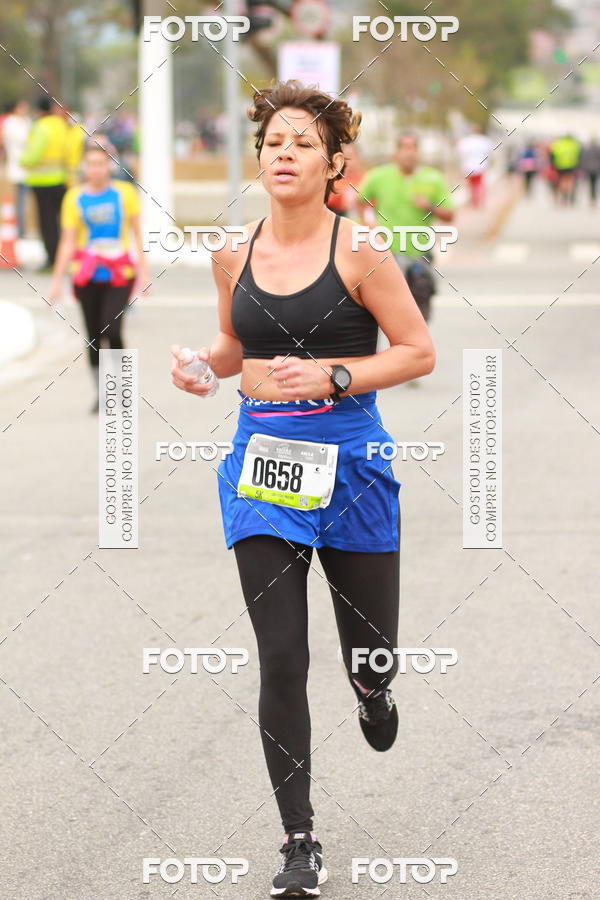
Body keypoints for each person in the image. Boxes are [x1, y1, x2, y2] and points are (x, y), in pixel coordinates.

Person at [169, 79, 435, 899]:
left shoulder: (362, 252)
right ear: (260, 158)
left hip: (351, 467)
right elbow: (230, 342)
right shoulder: (232, 252)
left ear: (333, 164)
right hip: (264, 468)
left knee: (371, 652)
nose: (284, 154)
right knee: (281, 656)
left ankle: (373, 689)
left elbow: (417, 350)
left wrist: (336, 372)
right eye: (274, 143)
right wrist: (200, 367)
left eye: (302, 144)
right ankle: (299, 838)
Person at [48, 143, 150, 413]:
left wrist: (145, 273)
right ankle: (102, 392)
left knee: (112, 329)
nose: (95, 170)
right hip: (87, 273)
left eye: (100, 164)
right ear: (84, 168)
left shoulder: (124, 193)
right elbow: (67, 242)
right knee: (93, 334)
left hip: (119, 273)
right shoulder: (74, 197)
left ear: (109, 166)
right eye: (90, 164)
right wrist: (56, 281)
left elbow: (138, 235)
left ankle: (121, 386)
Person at [356, 132, 455, 330]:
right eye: (404, 148)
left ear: (419, 153)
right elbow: (361, 200)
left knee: (420, 306)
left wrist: (429, 206)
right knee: (384, 308)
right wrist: (368, 223)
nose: (408, 153)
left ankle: (417, 345)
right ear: (396, 153)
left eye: (413, 148)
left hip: (419, 253)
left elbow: (449, 215)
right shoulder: (379, 175)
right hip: (387, 252)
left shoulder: (432, 178)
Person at [20, 96, 69, 269]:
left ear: (39, 110)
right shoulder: (61, 125)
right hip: (61, 179)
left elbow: (34, 155)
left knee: (47, 222)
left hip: (42, 182)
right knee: (63, 220)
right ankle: (66, 256)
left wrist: (23, 160)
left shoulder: (40, 127)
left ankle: (52, 259)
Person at [2, 100, 31, 238]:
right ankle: (20, 230)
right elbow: (25, 139)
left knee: (24, 201)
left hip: (26, 168)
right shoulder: (12, 123)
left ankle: (22, 228)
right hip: (18, 167)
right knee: (20, 201)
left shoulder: (24, 122)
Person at [456, 124, 493, 207]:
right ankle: (478, 201)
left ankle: (474, 201)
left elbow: (460, 153)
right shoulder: (485, 141)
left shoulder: (465, 141)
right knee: (479, 185)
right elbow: (489, 153)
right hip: (480, 167)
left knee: (471, 186)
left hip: (468, 167)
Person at [549, 134, 581, 206]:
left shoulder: (558, 144)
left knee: (561, 182)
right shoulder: (574, 144)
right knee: (569, 182)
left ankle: (562, 197)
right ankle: (568, 197)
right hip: (571, 166)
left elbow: (552, 155)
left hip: (559, 166)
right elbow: (579, 155)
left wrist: (553, 165)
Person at [580, 137, 600, 205]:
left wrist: (583, 168)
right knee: (594, 184)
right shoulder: (598, 149)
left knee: (590, 184)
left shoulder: (587, 149)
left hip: (588, 169)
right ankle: (593, 198)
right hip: (596, 169)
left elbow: (583, 159)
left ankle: (592, 198)